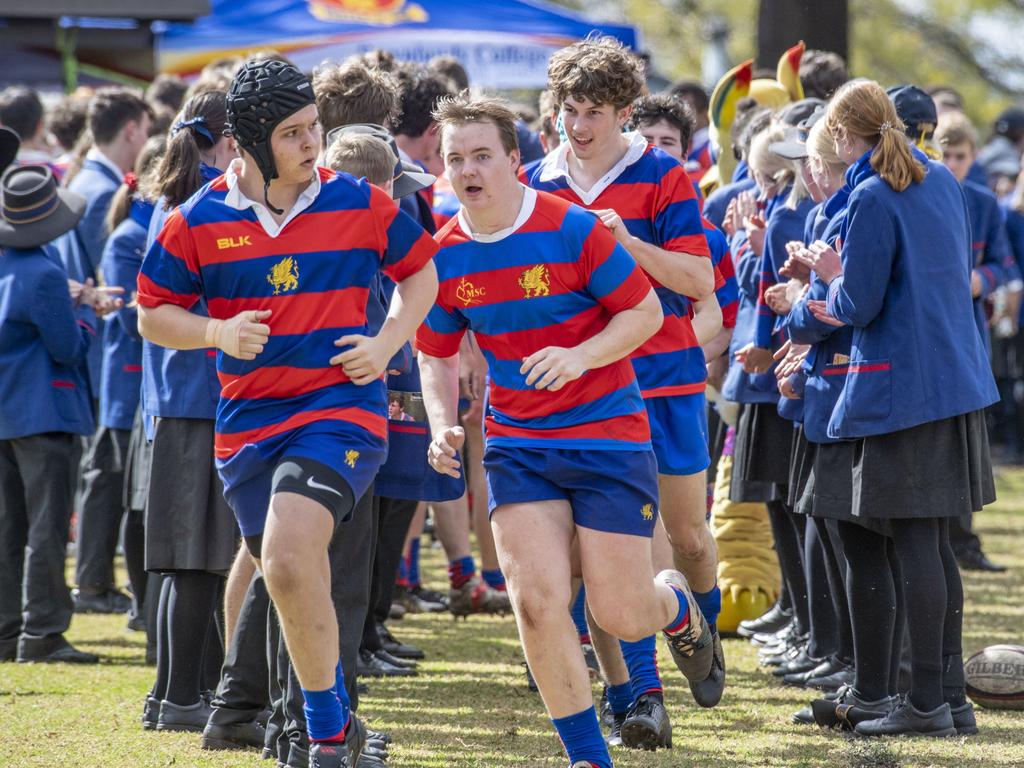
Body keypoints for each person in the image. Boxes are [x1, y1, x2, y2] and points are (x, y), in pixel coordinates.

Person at [137, 60, 438, 768]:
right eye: (295, 133)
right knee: (284, 568)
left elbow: (422, 274)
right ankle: (324, 727)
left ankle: (326, 733)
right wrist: (214, 332)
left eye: (314, 129)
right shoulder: (196, 220)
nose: (312, 144)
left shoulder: (360, 203)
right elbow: (153, 315)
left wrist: (388, 340)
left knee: (290, 551)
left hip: (340, 413)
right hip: (245, 431)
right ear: (248, 142)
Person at [419, 92, 715, 768]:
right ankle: (588, 756)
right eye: (454, 158)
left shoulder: (572, 228)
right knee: (537, 601)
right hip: (519, 446)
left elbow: (643, 314)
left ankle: (672, 607)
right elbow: (434, 353)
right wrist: (442, 425)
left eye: (482, 155)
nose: (468, 169)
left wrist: (580, 356)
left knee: (620, 611)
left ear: (515, 161)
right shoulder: (446, 256)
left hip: (608, 436)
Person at [522, 39, 726, 751]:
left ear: (625, 113)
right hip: (582, 392)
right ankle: (636, 695)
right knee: (604, 550)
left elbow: (700, 282)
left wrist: (623, 243)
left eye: (594, 112)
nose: (578, 126)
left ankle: (698, 622)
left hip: (663, 380)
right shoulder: (533, 181)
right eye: (568, 110)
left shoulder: (664, 177)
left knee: (690, 541)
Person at [795, 79, 997, 737]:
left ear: (844, 138)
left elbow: (858, 304)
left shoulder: (873, 196)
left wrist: (823, 278)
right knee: (931, 543)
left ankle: (924, 704)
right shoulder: (938, 179)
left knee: (912, 541)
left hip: (903, 389)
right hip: (952, 380)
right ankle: (944, 700)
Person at [0, 162, 122, 664]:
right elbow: (68, 347)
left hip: (8, 413)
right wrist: (87, 314)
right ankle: (44, 630)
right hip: (45, 412)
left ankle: (9, 628)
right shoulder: (46, 272)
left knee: (10, 526)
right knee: (47, 527)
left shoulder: (11, 264)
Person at [55, 87, 155, 616]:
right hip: (108, 353)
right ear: (133, 130)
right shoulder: (102, 192)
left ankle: (95, 578)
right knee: (107, 471)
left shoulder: (92, 182)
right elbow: (110, 292)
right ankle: (92, 580)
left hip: (102, 351)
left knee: (107, 469)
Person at [97, 135, 166, 634]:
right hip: (128, 388)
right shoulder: (127, 238)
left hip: (148, 387)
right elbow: (127, 318)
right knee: (134, 500)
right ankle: (136, 601)